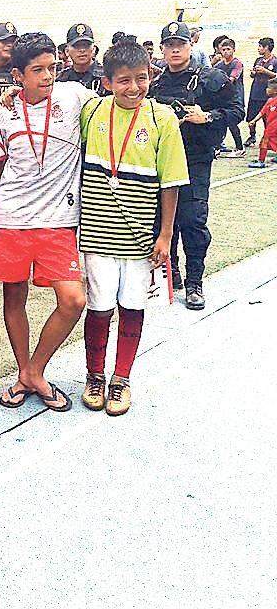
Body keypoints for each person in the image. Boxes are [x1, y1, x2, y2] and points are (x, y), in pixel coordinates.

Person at [0, 32, 97, 412]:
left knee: (72, 299)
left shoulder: (75, 95)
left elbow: (113, 110)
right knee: (14, 298)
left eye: (51, 68)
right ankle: (24, 372)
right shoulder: (4, 111)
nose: (47, 77)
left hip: (59, 220)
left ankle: (34, 370)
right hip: (12, 217)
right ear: (18, 75)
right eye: (37, 71)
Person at [78, 42, 189, 416]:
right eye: (123, 80)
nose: (133, 88)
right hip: (95, 232)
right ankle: (95, 375)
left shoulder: (162, 119)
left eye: (141, 79)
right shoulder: (91, 111)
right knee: (99, 306)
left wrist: (165, 236)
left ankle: (121, 378)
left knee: (132, 305)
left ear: (150, 76)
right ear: (107, 82)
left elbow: (170, 182)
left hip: (140, 236)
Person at [149, 21, 243, 310]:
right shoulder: (155, 83)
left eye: (181, 43)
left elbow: (237, 110)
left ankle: (194, 283)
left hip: (195, 160)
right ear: (162, 48)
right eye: (169, 45)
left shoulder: (211, 79)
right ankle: (170, 275)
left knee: (192, 221)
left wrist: (208, 117)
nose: (175, 49)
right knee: (161, 223)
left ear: (190, 45)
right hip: (160, 162)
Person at [214, 39, 246, 155]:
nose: (226, 52)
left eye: (228, 49)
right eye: (223, 49)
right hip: (223, 98)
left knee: (232, 122)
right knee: (219, 121)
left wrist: (219, 83)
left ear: (233, 50)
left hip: (235, 97)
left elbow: (231, 79)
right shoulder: (219, 65)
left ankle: (240, 148)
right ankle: (217, 147)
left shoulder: (237, 63)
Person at [58, 23, 106, 95]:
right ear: (67, 51)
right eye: (76, 46)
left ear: (93, 49)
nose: (82, 50)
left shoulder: (106, 76)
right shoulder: (61, 80)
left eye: (86, 45)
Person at [246, 37, 277, 147]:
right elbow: (252, 75)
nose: (258, 49)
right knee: (250, 117)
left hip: (268, 94)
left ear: (266, 47)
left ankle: (268, 138)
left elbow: (276, 76)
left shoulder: (275, 61)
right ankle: (252, 136)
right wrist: (253, 73)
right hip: (255, 92)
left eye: (260, 46)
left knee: (268, 119)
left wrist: (265, 71)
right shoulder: (258, 60)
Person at [247, 79, 277, 168]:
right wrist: (254, 120)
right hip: (270, 125)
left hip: (273, 127)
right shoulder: (269, 101)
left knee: (264, 142)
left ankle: (261, 161)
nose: (266, 90)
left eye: (268, 88)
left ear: (275, 91)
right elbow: (262, 112)